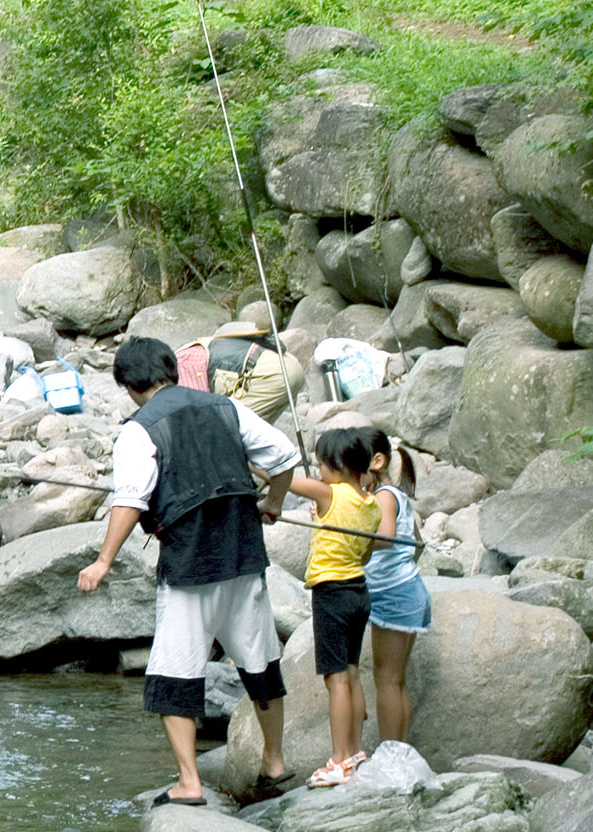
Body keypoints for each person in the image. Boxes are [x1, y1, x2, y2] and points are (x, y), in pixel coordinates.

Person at [77, 336, 300, 808]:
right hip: (243, 556)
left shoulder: (139, 430)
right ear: (171, 370)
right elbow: (283, 456)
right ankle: (275, 764)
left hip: (189, 565)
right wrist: (273, 502)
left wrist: (102, 561)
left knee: (174, 674)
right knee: (260, 661)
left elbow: (130, 500)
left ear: (128, 385)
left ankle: (189, 783)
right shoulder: (226, 408)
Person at [291, 427, 383, 788]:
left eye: (320, 464)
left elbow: (279, 478)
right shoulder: (370, 503)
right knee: (352, 672)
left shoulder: (329, 493)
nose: (317, 471)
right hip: (359, 592)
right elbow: (365, 552)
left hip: (331, 594)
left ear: (337, 466)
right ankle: (357, 752)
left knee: (336, 680)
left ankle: (339, 760)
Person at [363, 432, 429, 747]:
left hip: (393, 596)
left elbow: (387, 538)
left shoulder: (383, 497)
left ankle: (391, 752)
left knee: (386, 680)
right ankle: (400, 751)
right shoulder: (398, 495)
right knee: (396, 679)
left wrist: (352, 540)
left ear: (376, 462)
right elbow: (417, 543)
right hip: (409, 589)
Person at [176, 321, 308, 422]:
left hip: (272, 374)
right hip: (288, 364)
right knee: (255, 431)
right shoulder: (190, 352)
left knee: (225, 428)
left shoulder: (182, 364)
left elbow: (199, 412)